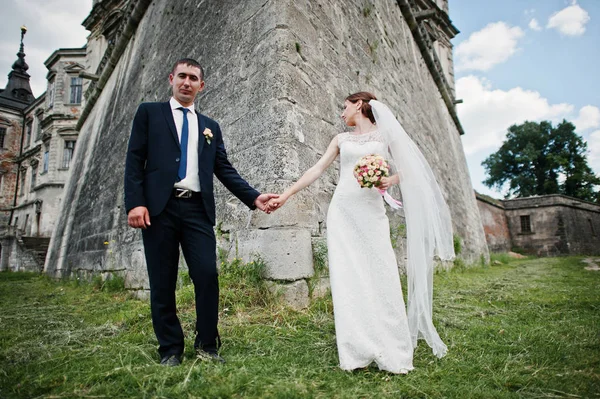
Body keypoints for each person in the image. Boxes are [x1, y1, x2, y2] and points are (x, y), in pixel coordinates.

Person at [269, 92, 455, 374]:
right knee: (347, 275)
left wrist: (388, 179)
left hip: (371, 212)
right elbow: (317, 169)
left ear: (359, 104)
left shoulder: (385, 136)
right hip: (342, 211)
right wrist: (286, 194)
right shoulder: (341, 140)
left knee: (382, 271)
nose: (341, 113)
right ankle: (356, 348)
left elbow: (408, 168)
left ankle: (391, 343)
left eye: (344, 107)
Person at [124, 58, 278, 367]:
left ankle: (207, 345)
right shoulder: (149, 113)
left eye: (193, 78)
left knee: (207, 275)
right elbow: (134, 159)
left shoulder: (210, 127)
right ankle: (170, 349)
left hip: (197, 209)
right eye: (181, 76)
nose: (186, 82)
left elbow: (223, 168)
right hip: (158, 209)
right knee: (162, 281)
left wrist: (254, 197)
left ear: (201, 86)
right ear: (171, 78)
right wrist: (135, 203)